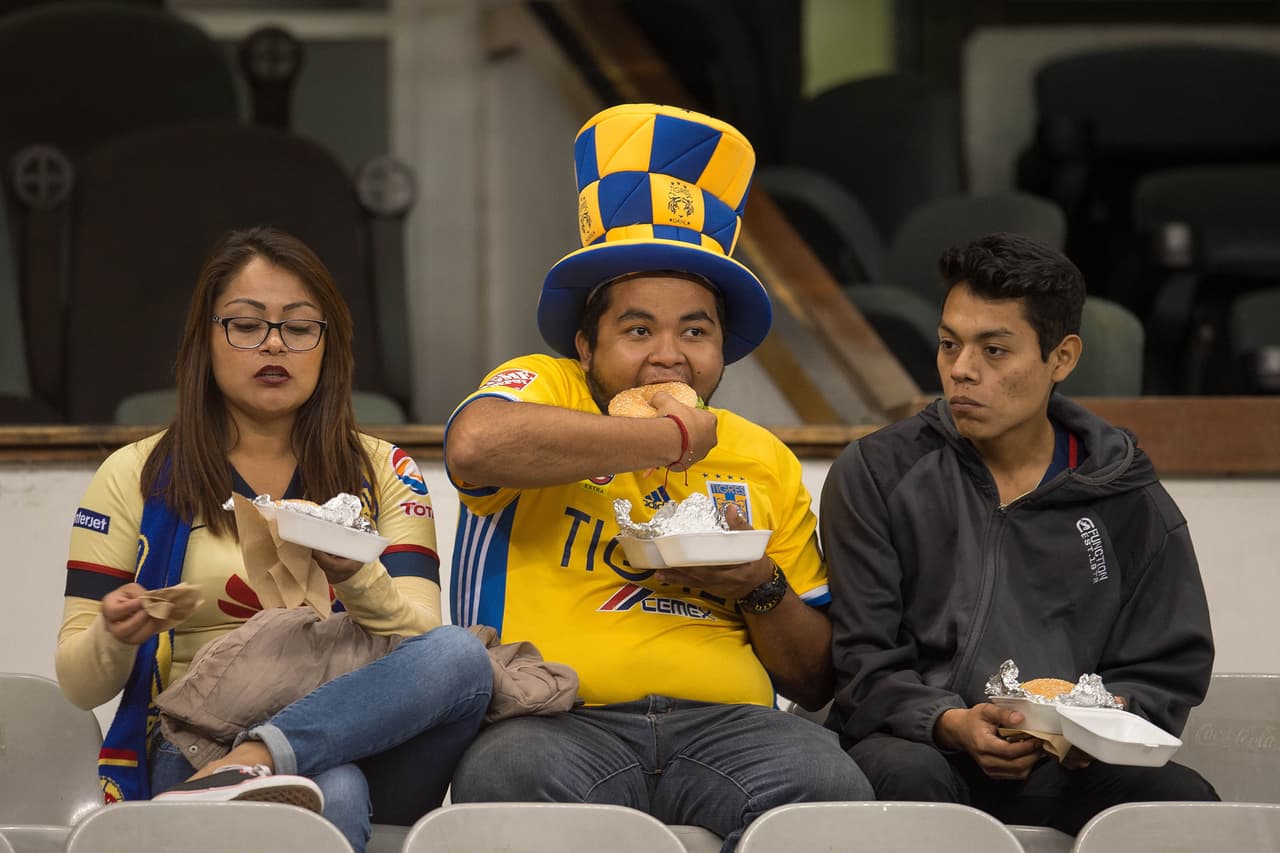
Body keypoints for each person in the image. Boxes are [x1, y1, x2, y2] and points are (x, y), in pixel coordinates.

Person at [443, 103, 872, 852]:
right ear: (585, 344)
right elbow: (474, 448)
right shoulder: (545, 388)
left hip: (731, 729)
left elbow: (812, 681)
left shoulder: (760, 453)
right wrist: (666, 435)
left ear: (722, 351)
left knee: (831, 785)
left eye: (695, 330)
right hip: (556, 722)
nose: (669, 354)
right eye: (638, 329)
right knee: (502, 778)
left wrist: (760, 585)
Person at [55, 226, 493, 852]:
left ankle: (263, 754)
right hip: (200, 742)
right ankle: (248, 765)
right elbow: (78, 684)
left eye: (297, 326)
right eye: (246, 323)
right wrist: (114, 635)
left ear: (328, 346)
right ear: (205, 340)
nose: (274, 345)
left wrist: (356, 574)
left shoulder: (386, 471)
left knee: (461, 655)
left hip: (368, 732)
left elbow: (421, 643)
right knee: (331, 788)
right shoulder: (135, 474)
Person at [820, 231, 1218, 834]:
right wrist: (949, 722)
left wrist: (1096, 724)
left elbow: (1165, 671)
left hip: (1069, 765)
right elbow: (863, 663)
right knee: (902, 778)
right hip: (920, 748)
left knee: (1180, 802)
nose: (960, 370)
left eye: (994, 351)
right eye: (949, 344)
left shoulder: (1128, 499)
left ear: (1061, 357)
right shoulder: (878, 473)